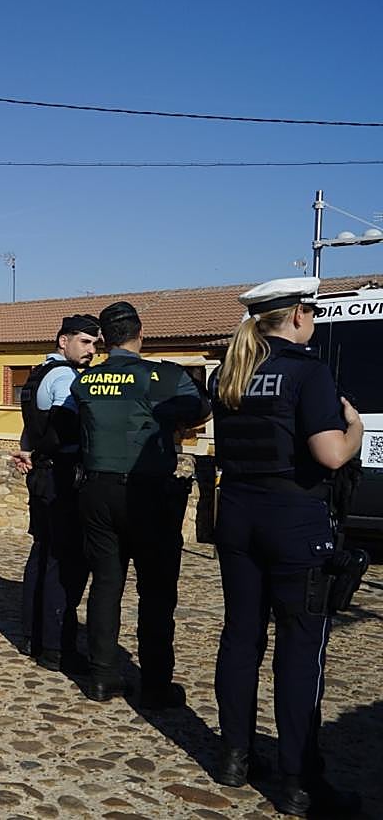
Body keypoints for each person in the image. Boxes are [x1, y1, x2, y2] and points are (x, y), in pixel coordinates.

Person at [209, 277, 363, 816]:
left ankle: (234, 756)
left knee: (241, 637)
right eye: (312, 312)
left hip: (237, 519)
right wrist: (356, 430)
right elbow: (330, 455)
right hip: (295, 522)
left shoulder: (231, 372)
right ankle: (298, 780)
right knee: (300, 650)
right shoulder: (308, 371)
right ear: (298, 314)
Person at [70, 301, 209, 706]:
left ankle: (101, 678)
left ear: (103, 340)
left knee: (105, 585)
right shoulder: (165, 377)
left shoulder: (85, 382)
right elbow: (201, 407)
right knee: (157, 592)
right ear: (139, 334)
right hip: (149, 494)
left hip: (96, 492)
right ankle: (155, 686)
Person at [11, 314, 100, 672]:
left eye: (96, 344)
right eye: (85, 342)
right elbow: (72, 425)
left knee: (43, 553)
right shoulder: (65, 378)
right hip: (63, 477)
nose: (92, 350)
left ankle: (33, 636)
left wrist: (28, 451)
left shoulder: (37, 375)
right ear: (64, 341)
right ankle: (56, 647)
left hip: (43, 474)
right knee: (63, 562)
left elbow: (33, 428)